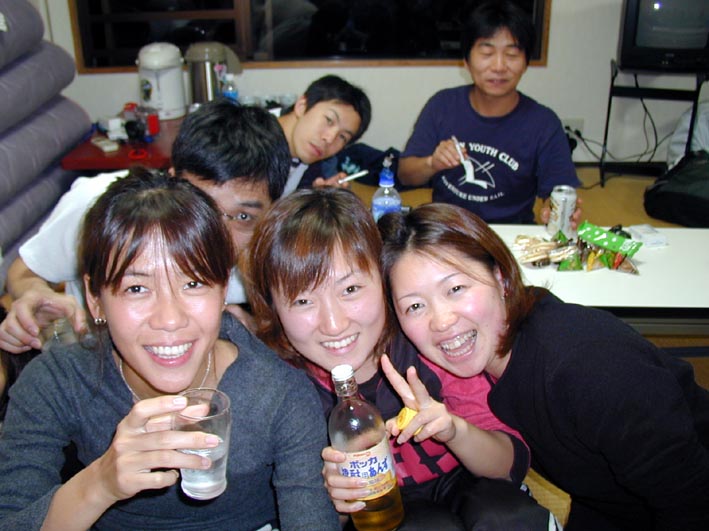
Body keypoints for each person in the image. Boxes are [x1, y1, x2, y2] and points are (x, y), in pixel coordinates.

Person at [0, 168, 339, 531]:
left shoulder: (280, 393)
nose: (170, 319)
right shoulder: (58, 380)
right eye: (136, 289)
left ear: (223, 290)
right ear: (95, 299)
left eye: (193, 283)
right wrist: (99, 484)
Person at [377, 202, 709, 531]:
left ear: (501, 278)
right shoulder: (483, 365)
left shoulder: (585, 367)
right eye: (415, 306)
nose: (441, 321)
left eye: (456, 289)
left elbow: (691, 500)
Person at [241, 187, 557, 530]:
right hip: (383, 513)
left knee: (506, 516)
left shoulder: (427, 343)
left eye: (350, 289)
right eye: (303, 301)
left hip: (468, 479)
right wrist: (339, 499)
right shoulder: (283, 388)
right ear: (271, 307)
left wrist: (454, 430)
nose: (334, 324)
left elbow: (509, 464)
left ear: (383, 280)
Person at [0, 100, 291, 354]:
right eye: (204, 206)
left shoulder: (274, 254)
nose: (219, 235)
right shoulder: (103, 210)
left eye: (243, 217)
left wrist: (253, 327)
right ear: (172, 180)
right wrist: (34, 294)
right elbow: (23, 272)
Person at [398, 0, 581, 225]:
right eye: (487, 53)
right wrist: (432, 163)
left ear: (526, 63)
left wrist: (554, 211)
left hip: (511, 233)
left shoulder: (544, 123)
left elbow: (558, 193)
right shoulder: (442, 105)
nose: (499, 66)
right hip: (448, 229)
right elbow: (405, 174)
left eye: (512, 54)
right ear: (466, 61)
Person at [277, 74, 372, 195]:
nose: (330, 139)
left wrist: (314, 198)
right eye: (329, 120)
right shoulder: (255, 142)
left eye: (342, 137)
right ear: (302, 106)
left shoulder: (319, 165)